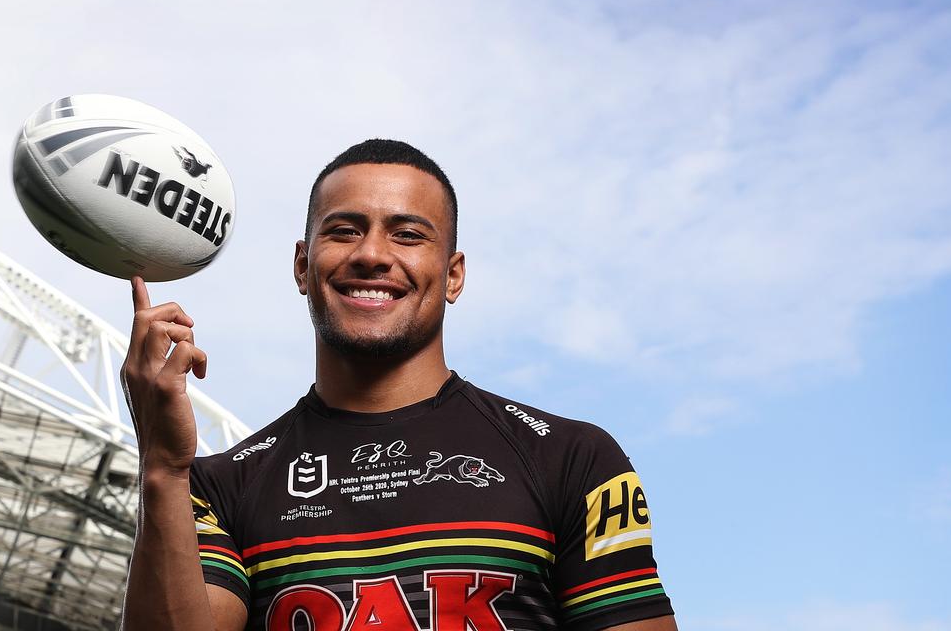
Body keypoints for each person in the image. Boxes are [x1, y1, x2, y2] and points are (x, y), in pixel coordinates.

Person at [120, 140, 677, 630]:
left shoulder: (569, 458)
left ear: (454, 275)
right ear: (301, 265)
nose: (371, 255)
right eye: (343, 231)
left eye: (407, 234)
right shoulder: (221, 486)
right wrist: (164, 468)